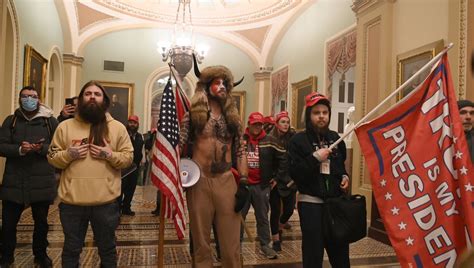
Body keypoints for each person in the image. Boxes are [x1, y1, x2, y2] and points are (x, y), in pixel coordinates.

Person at [47, 81, 133, 267]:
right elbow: (52, 157)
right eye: (87, 94)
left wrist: (109, 155)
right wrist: (68, 154)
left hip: (106, 204)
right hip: (72, 204)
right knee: (71, 250)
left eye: (97, 94)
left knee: (107, 250)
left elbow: (128, 158)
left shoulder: (117, 128)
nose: (92, 97)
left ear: (105, 101)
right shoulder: (65, 127)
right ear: (79, 100)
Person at [180, 63, 248, 268]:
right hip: (199, 181)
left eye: (224, 83)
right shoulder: (192, 116)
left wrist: (244, 182)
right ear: (206, 86)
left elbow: (241, 150)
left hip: (226, 181)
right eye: (217, 82)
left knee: (231, 244)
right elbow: (179, 144)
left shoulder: (233, 119)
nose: (222, 87)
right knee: (201, 242)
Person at [288, 92, 350, 268]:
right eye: (316, 113)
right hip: (311, 205)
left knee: (340, 253)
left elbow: (339, 167)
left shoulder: (336, 139)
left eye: (325, 112)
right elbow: (295, 173)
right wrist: (315, 158)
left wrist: (344, 176)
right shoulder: (297, 141)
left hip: (335, 205)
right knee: (313, 254)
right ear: (309, 115)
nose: (321, 116)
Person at [0, 86, 59, 268]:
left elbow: (58, 147)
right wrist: (19, 149)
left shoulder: (50, 122)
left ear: (39, 99)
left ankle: (40, 255)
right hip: (14, 181)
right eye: (25, 96)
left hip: (41, 181)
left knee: (41, 223)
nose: (29, 99)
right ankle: (6, 256)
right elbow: (1, 146)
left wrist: (40, 148)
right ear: (19, 99)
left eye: (32, 96)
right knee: (8, 224)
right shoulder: (11, 121)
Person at [241, 112, 278, 259]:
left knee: (262, 217)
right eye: (254, 124)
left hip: (261, 186)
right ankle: (236, 245)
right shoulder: (240, 139)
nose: (257, 127)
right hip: (242, 186)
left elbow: (281, 159)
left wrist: (276, 177)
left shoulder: (269, 140)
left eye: (259, 124)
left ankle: (265, 246)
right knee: (239, 218)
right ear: (249, 125)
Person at [266, 111, 296, 252]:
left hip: (289, 179)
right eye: (283, 122)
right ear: (277, 124)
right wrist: (273, 177)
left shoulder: (293, 137)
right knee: (276, 210)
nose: (286, 124)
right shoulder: (270, 138)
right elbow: (268, 161)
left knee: (289, 209)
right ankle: (276, 239)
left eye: (287, 122)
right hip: (275, 180)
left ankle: (280, 226)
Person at [120, 115, 144, 216]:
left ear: (137, 124)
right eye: (130, 122)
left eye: (134, 123)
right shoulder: (123, 135)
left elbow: (142, 151)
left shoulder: (140, 136)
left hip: (135, 168)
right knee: (121, 189)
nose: (132, 125)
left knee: (131, 189)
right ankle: (117, 209)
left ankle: (126, 208)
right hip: (124, 168)